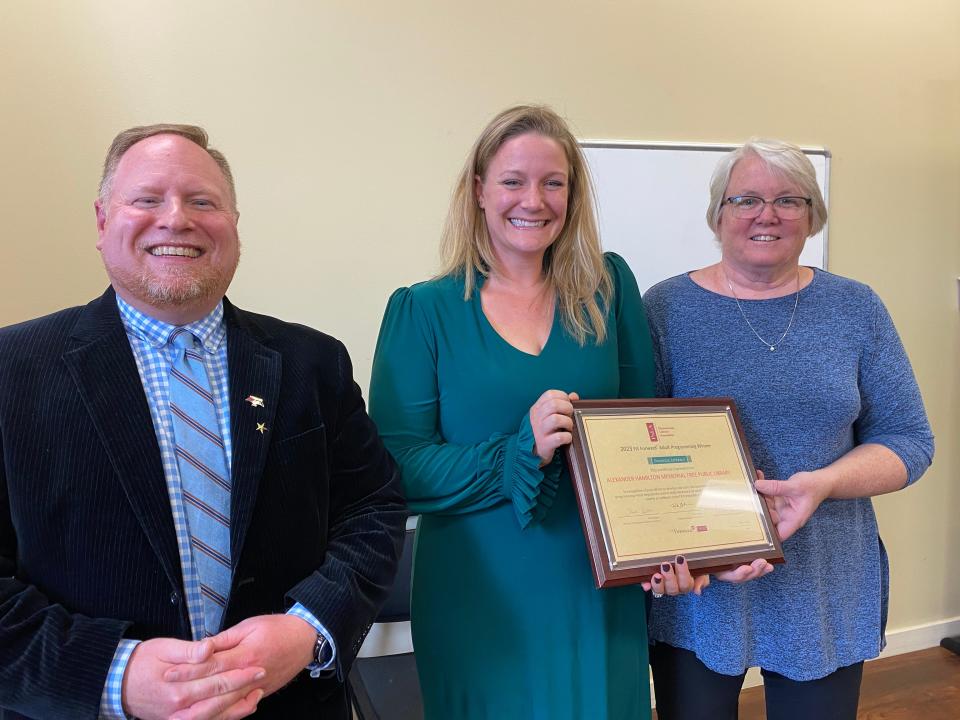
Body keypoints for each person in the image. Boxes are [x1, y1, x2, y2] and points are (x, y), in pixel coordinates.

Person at [0, 124, 406, 720]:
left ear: (234, 224)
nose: (176, 219)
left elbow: (373, 508)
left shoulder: (312, 362)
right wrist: (114, 673)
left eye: (202, 201)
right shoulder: (13, 371)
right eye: (147, 199)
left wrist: (309, 628)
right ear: (101, 220)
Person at [369, 105, 711, 719]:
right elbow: (398, 469)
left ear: (572, 194)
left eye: (553, 182)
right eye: (512, 181)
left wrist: (671, 548)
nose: (535, 199)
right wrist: (518, 449)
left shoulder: (610, 286)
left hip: (597, 582)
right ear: (478, 191)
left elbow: (644, 432)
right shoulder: (423, 311)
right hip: (479, 593)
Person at [644, 138, 935, 720]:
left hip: (824, 582)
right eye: (745, 199)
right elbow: (637, 451)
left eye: (788, 200)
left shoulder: (856, 308)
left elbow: (909, 442)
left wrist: (822, 482)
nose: (766, 214)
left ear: (812, 216)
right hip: (703, 588)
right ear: (718, 214)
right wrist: (686, 553)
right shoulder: (665, 308)